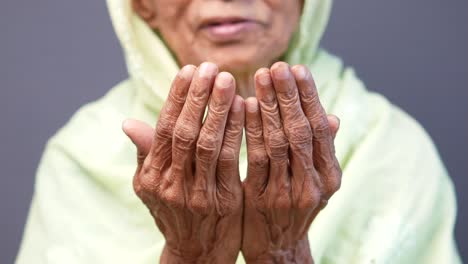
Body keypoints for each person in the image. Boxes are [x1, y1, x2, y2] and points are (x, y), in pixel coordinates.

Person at [16, 0, 461, 263]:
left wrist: (282, 251)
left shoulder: (391, 147)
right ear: (142, 5)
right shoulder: (81, 154)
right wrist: (192, 254)